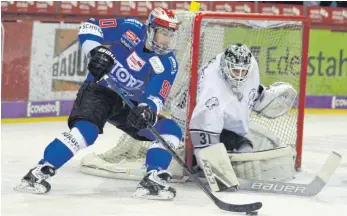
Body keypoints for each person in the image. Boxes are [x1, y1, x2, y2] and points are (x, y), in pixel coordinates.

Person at [15, 7, 182, 200]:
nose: (167, 40)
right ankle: (38, 173)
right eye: (163, 33)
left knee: (170, 130)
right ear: (151, 29)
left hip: (130, 103)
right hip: (100, 90)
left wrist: (147, 110)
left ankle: (153, 180)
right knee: (86, 132)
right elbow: (90, 26)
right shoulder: (131, 28)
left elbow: (156, 95)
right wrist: (96, 51)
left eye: (171, 35)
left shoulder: (169, 63)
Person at [186, 44, 297, 186]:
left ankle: (229, 165)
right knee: (242, 146)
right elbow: (202, 134)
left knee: (251, 144)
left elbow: (243, 92)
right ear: (226, 68)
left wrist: (259, 96)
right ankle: (194, 164)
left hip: (217, 120)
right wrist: (216, 173)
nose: (239, 76)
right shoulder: (212, 92)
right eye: (235, 71)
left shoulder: (249, 66)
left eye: (243, 72)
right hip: (189, 121)